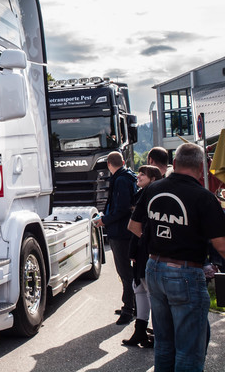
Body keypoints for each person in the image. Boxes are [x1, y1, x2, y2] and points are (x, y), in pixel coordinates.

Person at [128, 143, 225, 371]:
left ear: (177, 162)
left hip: (154, 268)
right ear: (200, 167)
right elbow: (221, 244)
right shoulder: (203, 197)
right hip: (185, 274)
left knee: (164, 344)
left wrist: (158, 241)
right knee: (188, 349)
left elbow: (133, 225)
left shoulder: (152, 189)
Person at [94, 151, 137, 325]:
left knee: (125, 272)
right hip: (127, 230)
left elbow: (122, 209)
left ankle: (129, 309)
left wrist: (104, 220)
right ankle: (133, 304)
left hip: (120, 232)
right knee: (128, 272)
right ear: (123, 161)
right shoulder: (129, 177)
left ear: (108, 165)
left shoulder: (119, 180)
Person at [122, 165, 162, 348]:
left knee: (150, 291)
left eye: (142, 174)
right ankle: (140, 331)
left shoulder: (151, 195)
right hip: (141, 248)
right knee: (139, 288)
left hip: (147, 250)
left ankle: (154, 332)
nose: (138, 176)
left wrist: (145, 242)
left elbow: (137, 226)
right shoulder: (142, 194)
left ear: (153, 178)